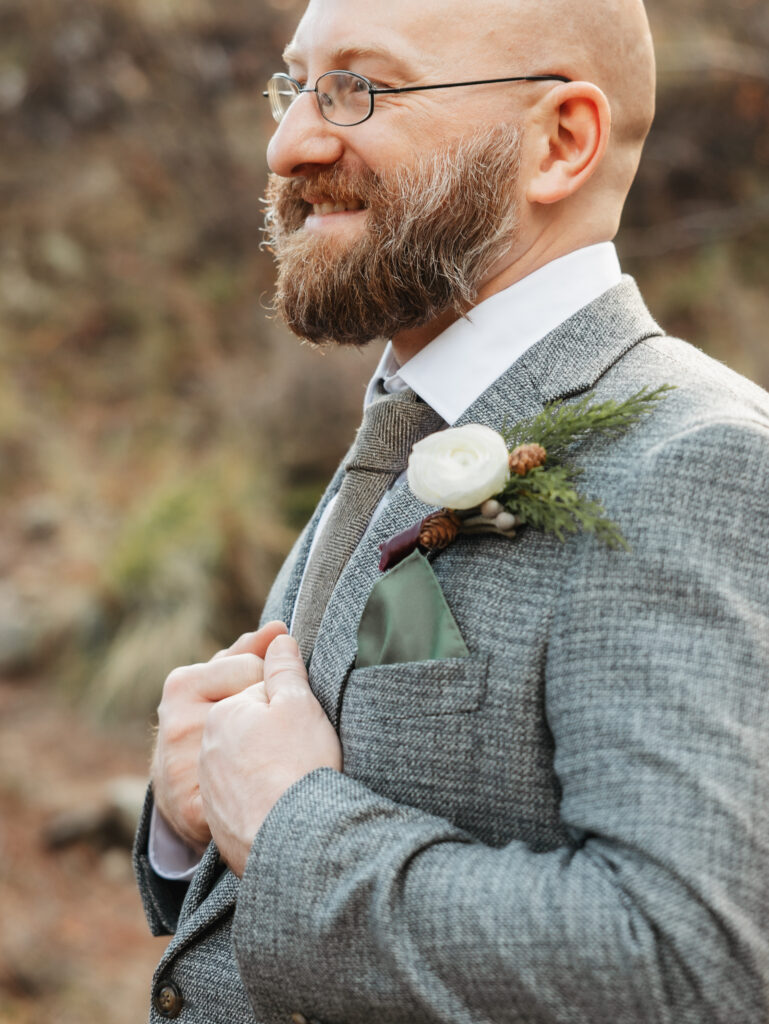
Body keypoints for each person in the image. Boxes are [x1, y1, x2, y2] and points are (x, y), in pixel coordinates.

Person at [134, 0, 769, 1021]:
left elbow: (690, 966)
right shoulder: (414, 417)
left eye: (359, 87)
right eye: (294, 83)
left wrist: (291, 826)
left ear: (560, 141)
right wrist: (194, 816)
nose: (290, 139)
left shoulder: (699, 463)